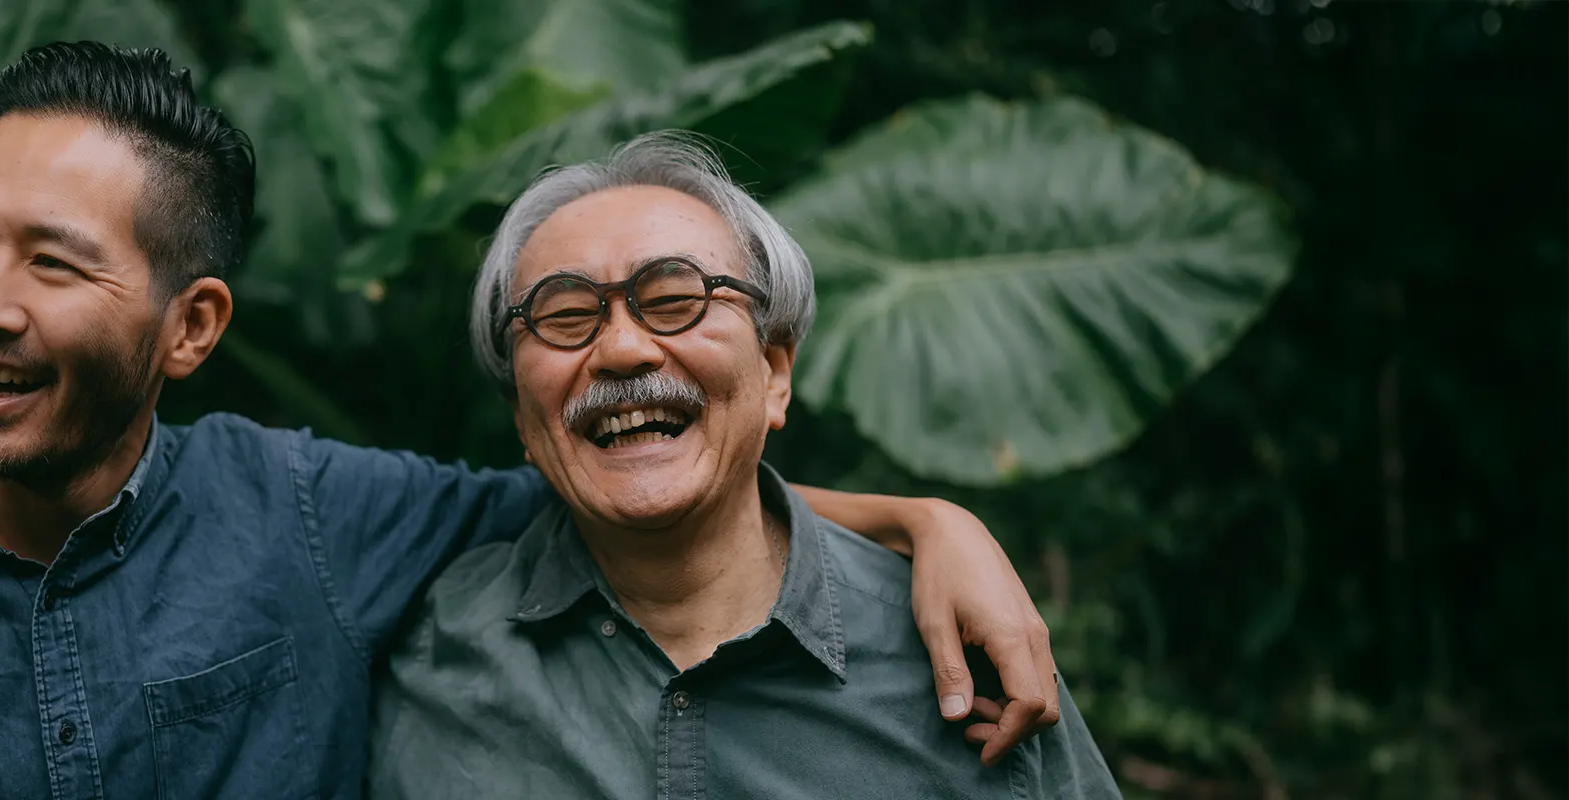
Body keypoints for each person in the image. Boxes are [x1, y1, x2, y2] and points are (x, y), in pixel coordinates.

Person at [0, 42, 1060, 799]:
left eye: (58, 264)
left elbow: (631, 478)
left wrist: (935, 522)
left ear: (191, 327)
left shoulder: (315, 518)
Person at [368, 133, 1117, 799]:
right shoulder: (421, 646)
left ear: (776, 373)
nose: (623, 349)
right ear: (523, 420)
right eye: (564, 316)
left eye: (675, 299)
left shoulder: (962, 653)